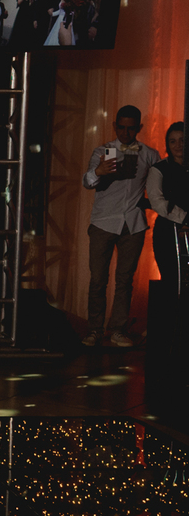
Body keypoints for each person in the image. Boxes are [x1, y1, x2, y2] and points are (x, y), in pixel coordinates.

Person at [81, 105, 160, 347]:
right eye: (122, 128)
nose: (126, 133)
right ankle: (95, 330)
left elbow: (160, 186)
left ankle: (117, 329)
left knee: (125, 280)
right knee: (98, 279)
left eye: (131, 128)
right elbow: (87, 181)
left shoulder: (149, 154)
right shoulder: (103, 151)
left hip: (133, 223)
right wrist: (99, 171)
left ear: (139, 128)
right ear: (115, 126)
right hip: (104, 221)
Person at [147, 122, 188, 289]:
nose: (178, 145)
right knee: (171, 281)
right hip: (168, 232)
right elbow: (157, 201)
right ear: (167, 144)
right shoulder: (158, 169)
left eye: (182, 140)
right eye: (173, 141)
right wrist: (184, 218)